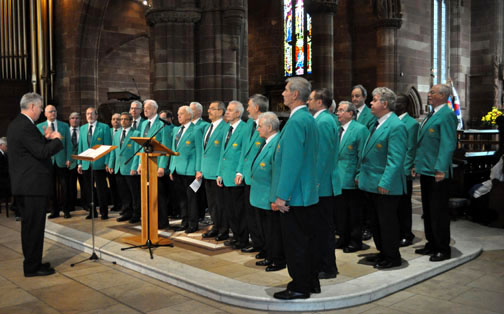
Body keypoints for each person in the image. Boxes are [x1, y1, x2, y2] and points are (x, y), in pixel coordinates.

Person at [270, 77, 320, 300]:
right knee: (306, 240)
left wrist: (282, 195)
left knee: (296, 242)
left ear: (295, 95)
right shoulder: (307, 119)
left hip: (295, 194)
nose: (282, 93)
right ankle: (309, 280)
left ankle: (300, 286)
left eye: (285, 90)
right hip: (305, 191)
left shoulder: (297, 121)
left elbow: (291, 162)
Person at [8, 92, 63, 277]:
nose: (41, 111)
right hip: (31, 186)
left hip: (26, 185)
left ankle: (34, 262)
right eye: (40, 107)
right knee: (33, 228)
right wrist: (57, 140)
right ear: (32, 106)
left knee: (31, 227)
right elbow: (41, 153)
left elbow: (32, 150)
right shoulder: (25, 126)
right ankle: (32, 267)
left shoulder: (19, 124)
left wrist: (46, 139)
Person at [357, 87, 407, 270]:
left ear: (385, 104)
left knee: (387, 223)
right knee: (376, 222)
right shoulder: (376, 123)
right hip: (371, 183)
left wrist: (385, 182)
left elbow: (396, 159)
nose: (371, 102)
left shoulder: (396, 126)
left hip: (385, 185)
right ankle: (383, 252)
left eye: (374, 99)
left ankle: (393, 257)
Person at [413, 84, 458, 262]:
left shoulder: (447, 114)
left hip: (437, 172)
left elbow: (448, 144)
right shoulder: (432, 114)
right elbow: (423, 144)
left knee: (438, 211)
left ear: (443, 95)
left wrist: (441, 168)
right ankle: (432, 243)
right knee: (429, 210)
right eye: (430, 92)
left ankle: (442, 248)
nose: (429, 94)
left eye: (432, 92)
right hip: (426, 169)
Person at [307, 88, 340, 279]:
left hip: (323, 185)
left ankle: (327, 266)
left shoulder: (324, 121)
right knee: (319, 227)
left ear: (320, 102)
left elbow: (324, 156)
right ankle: (321, 262)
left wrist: (316, 183)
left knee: (324, 228)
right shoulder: (320, 120)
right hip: (321, 183)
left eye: (311, 99)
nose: (308, 102)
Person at [250, 112, 285, 272]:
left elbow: (277, 173)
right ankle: (268, 253)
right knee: (265, 229)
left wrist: (274, 198)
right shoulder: (266, 141)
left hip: (268, 195)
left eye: (260, 126)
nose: (257, 129)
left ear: (270, 127)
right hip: (260, 193)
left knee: (273, 231)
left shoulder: (277, 142)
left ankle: (276, 259)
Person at [235, 94, 268, 254]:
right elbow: (244, 152)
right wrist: (240, 170)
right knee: (250, 213)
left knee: (260, 214)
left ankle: (264, 245)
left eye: (248, 106)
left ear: (256, 108)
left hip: (259, 177)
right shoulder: (250, 124)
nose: (247, 109)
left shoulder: (266, 124)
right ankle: (256, 242)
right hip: (247, 176)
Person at [334, 101, 369, 253]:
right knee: (340, 212)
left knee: (354, 213)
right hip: (337, 179)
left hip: (352, 178)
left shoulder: (360, 129)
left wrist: (359, 174)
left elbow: (363, 155)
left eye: (341, 110)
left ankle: (355, 241)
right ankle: (343, 238)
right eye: (337, 110)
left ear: (351, 113)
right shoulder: (337, 130)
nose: (337, 113)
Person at [216, 101, 249, 250]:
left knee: (238, 211)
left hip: (235, 176)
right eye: (227, 110)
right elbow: (222, 153)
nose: (226, 112)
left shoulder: (244, 128)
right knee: (229, 210)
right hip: (225, 175)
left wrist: (240, 171)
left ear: (238, 113)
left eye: (229, 110)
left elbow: (244, 153)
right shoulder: (227, 129)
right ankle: (235, 236)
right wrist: (219, 173)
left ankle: (242, 239)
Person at [136, 99, 170, 228]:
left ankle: (162, 221)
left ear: (155, 109)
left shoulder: (162, 124)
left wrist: (162, 166)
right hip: (146, 163)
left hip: (157, 164)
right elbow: (143, 145)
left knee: (159, 195)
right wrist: (140, 164)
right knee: (148, 194)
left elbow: (165, 146)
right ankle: (150, 218)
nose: (145, 110)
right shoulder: (144, 124)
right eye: (144, 107)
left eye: (148, 107)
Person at [197, 101, 229, 240]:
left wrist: (220, 173)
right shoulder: (208, 127)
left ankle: (223, 229)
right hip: (206, 171)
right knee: (211, 204)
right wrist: (200, 169)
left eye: (212, 109)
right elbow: (203, 151)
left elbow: (224, 153)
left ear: (221, 112)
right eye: (208, 108)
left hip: (217, 172)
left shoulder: (225, 128)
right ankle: (215, 226)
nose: (208, 111)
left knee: (220, 204)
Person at [169, 105, 202, 233]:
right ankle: (184, 221)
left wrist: (198, 170)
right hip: (177, 169)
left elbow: (199, 151)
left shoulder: (196, 130)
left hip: (190, 170)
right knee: (182, 199)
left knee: (191, 199)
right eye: (178, 114)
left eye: (181, 113)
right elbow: (173, 150)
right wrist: (172, 168)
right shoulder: (177, 130)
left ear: (189, 115)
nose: (179, 116)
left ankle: (193, 224)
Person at [36, 105, 72, 219]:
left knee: (65, 187)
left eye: (55, 111)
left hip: (62, 161)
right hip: (48, 162)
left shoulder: (64, 125)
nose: (53, 113)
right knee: (51, 188)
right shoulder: (39, 127)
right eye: (50, 111)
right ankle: (54, 211)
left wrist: (69, 158)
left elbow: (68, 144)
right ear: (45, 114)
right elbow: (39, 146)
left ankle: (66, 210)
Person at [352, 84, 377, 241]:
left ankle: (368, 227)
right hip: (350, 157)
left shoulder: (369, 114)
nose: (354, 99)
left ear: (364, 98)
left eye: (358, 96)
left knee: (365, 199)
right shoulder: (350, 112)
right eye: (353, 96)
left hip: (363, 157)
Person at [77, 107, 112, 220]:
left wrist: (107, 162)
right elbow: (81, 147)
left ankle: (104, 212)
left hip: (100, 163)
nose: (90, 116)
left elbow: (107, 147)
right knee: (88, 189)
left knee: (101, 189)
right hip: (86, 164)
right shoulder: (82, 128)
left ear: (96, 116)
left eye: (92, 114)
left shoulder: (104, 127)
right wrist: (80, 163)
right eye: (87, 114)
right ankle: (92, 211)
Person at [107, 112, 140, 223]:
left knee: (134, 193)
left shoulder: (136, 133)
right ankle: (126, 212)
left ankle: (136, 214)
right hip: (119, 167)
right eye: (121, 119)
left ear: (131, 121)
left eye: (126, 119)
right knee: (123, 193)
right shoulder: (117, 134)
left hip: (130, 168)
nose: (123, 121)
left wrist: (134, 167)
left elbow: (137, 153)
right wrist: (111, 164)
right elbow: (113, 150)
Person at [395, 95, 419, 247]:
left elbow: (411, 149)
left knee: (404, 205)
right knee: (394, 205)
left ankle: (406, 234)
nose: (394, 104)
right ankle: (396, 231)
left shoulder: (411, 124)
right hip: (393, 170)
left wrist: (406, 169)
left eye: (398, 102)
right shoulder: (393, 120)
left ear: (404, 105)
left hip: (403, 171)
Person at [67, 112, 84, 212]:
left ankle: (85, 204)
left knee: (84, 185)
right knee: (70, 186)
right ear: (69, 120)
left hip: (81, 162)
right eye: (72, 118)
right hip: (70, 162)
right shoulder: (66, 131)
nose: (75, 120)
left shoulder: (83, 130)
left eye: (77, 118)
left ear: (80, 120)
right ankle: (71, 205)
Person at [108, 113, 122, 213]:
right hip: (110, 162)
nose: (115, 121)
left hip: (120, 163)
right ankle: (115, 204)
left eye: (118, 119)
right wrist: (109, 163)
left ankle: (122, 204)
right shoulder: (107, 131)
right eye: (113, 119)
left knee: (120, 186)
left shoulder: (123, 132)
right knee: (112, 185)